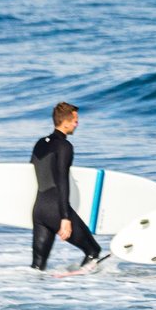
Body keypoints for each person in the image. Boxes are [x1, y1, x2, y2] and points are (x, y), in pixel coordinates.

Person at [30, 101, 105, 272]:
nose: (77, 124)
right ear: (65, 122)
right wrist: (65, 218)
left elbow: (33, 172)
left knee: (37, 266)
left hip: (39, 210)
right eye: (75, 121)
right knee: (93, 251)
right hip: (56, 210)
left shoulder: (40, 143)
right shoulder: (64, 146)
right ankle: (80, 283)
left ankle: (33, 289)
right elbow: (62, 180)